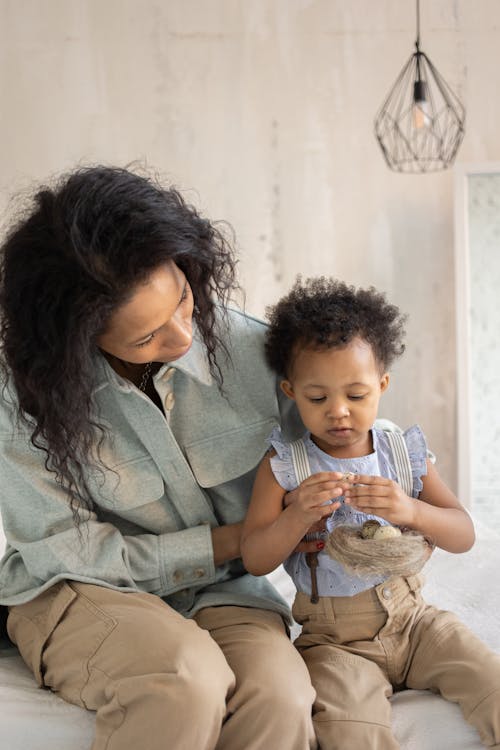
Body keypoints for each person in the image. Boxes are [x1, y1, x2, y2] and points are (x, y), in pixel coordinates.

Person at [0, 165, 325, 750]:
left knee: (282, 697)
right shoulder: (19, 396)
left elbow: (335, 458)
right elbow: (65, 548)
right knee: (185, 678)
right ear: (76, 339)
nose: (182, 336)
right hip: (81, 589)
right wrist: (231, 542)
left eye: (182, 299)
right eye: (145, 338)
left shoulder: (261, 352)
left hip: (226, 593)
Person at [241, 277, 500, 750]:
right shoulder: (284, 466)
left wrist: (412, 510)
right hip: (335, 644)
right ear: (291, 391)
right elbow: (255, 557)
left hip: (416, 623)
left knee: (493, 683)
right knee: (351, 734)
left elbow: (462, 534)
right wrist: (295, 516)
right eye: (318, 398)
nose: (338, 411)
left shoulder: (401, 452)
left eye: (356, 395)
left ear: (381, 385)